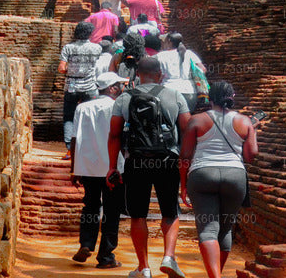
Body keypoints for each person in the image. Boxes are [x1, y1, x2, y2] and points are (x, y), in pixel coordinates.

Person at [107, 56, 192, 278]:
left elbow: (114, 134)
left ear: (138, 75)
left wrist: (111, 167)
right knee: (170, 212)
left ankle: (143, 267)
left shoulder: (124, 98)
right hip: (167, 161)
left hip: (136, 161)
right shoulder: (175, 95)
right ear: (160, 74)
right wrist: (185, 163)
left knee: (137, 215)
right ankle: (169, 257)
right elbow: (188, 131)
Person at [179, 81, 258, 278]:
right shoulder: (244, 121)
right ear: (232, 97)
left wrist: (183, 184)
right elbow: (250, 155)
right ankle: (216, 274)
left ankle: (215, 276)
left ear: (209, 99)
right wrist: (252, 130)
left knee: (207, 229)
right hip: (235, 176)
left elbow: (185, 156)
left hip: (203, 174)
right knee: (225, 229)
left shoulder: (197, 120)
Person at [71, 71, 130, 269]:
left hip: (87, 167)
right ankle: (106, 257)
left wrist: (74, 169)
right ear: (112, 88)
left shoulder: (82, 107)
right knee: (112, 211)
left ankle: (86, 244)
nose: (122, 88)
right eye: (120, 85)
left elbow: (74, 139)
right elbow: (122, 138)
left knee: (90, 206)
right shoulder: (118, 106)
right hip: (113, 168)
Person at [60, 21, 103, 159]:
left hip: (72, 86)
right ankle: (89, 148)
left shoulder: (68, 48)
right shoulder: (97, 48)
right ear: (90, 33)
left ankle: (69, 149)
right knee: (92, 116)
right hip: (90, 87)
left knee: (69, 117)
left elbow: (61, 68)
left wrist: (72, 70)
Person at [157, 32, 208, 110]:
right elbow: (203, 69)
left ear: (169, 41)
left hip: (168, 90)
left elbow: (160, 75)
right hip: (189, 92)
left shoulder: (161, 55)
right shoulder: (190, 54)